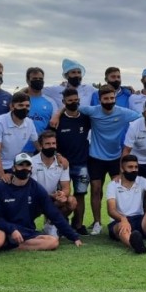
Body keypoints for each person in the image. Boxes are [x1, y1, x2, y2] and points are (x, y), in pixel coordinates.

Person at [0, 153, 83, 251]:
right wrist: (12, 230)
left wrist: (74, 237)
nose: (24, 168)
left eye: (27, 165)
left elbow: (54, 214)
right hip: (4, 229)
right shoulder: (1, 187)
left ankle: (14, 247)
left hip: (25, 230)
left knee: (53, 242)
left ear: (31, 168)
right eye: (20, 165)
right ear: (14, 168)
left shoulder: (36, 188)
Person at [75, 85, 141, 235]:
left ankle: (117, 219)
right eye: (106, 98)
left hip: (115, 158)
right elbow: (71, 108)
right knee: (96, 190)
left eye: (112, 98)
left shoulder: (123, 113)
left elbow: (142, 117)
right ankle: (97, 222)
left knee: (119, 189)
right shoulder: (92, 110)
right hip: (95, 157)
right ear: (100, 99)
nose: (109, 101)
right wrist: (57, 115)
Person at [107, 155, 146, 254]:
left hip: (140, 220)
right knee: (122, 228)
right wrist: (123, 219)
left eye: (136, 167)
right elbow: (111, 210)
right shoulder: (113, 185)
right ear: (122, 169)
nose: (134, 170)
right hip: (119, 220)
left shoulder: (141, 180)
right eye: (130, 167)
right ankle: (135, 245)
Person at [54, 88, 91, 235]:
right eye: (70, 101)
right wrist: (58, 155)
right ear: (64, 102)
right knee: (61, 196)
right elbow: (48, 139)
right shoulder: (57, 120)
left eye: (76, 100)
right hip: (62, 166)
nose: (74, 103)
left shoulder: (86, 118)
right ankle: (59, 224)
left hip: (81, 164)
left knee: (80, 195)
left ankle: (78, 224)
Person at [31, 131, 77, 237]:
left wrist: (62, 194)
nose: (51, 146)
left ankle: (51, 224)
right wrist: (52, 195)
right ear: (41, 145)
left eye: (53, 143)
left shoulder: (62, 163)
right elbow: (33, 189)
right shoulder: (32, 162)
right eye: (47, 144)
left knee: (71, 201)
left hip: (53, 199)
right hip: (36, 199)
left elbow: (66, 188)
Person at [0, 92, 39, 185]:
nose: (24, 108)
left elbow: (37, 144)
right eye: (20, 105)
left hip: (12, 164)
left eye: (27, 106)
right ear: (12, 107)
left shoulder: (29, 123)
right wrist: (2, 176)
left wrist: (56, 156)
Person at [24, 67, 58, 153]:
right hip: (19, 149)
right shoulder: (20, 100)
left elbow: (54, 127)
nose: (38, 81)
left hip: (41, 150)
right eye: (34, 79)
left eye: (40, 79)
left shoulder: (51, 102)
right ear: (28, 81)